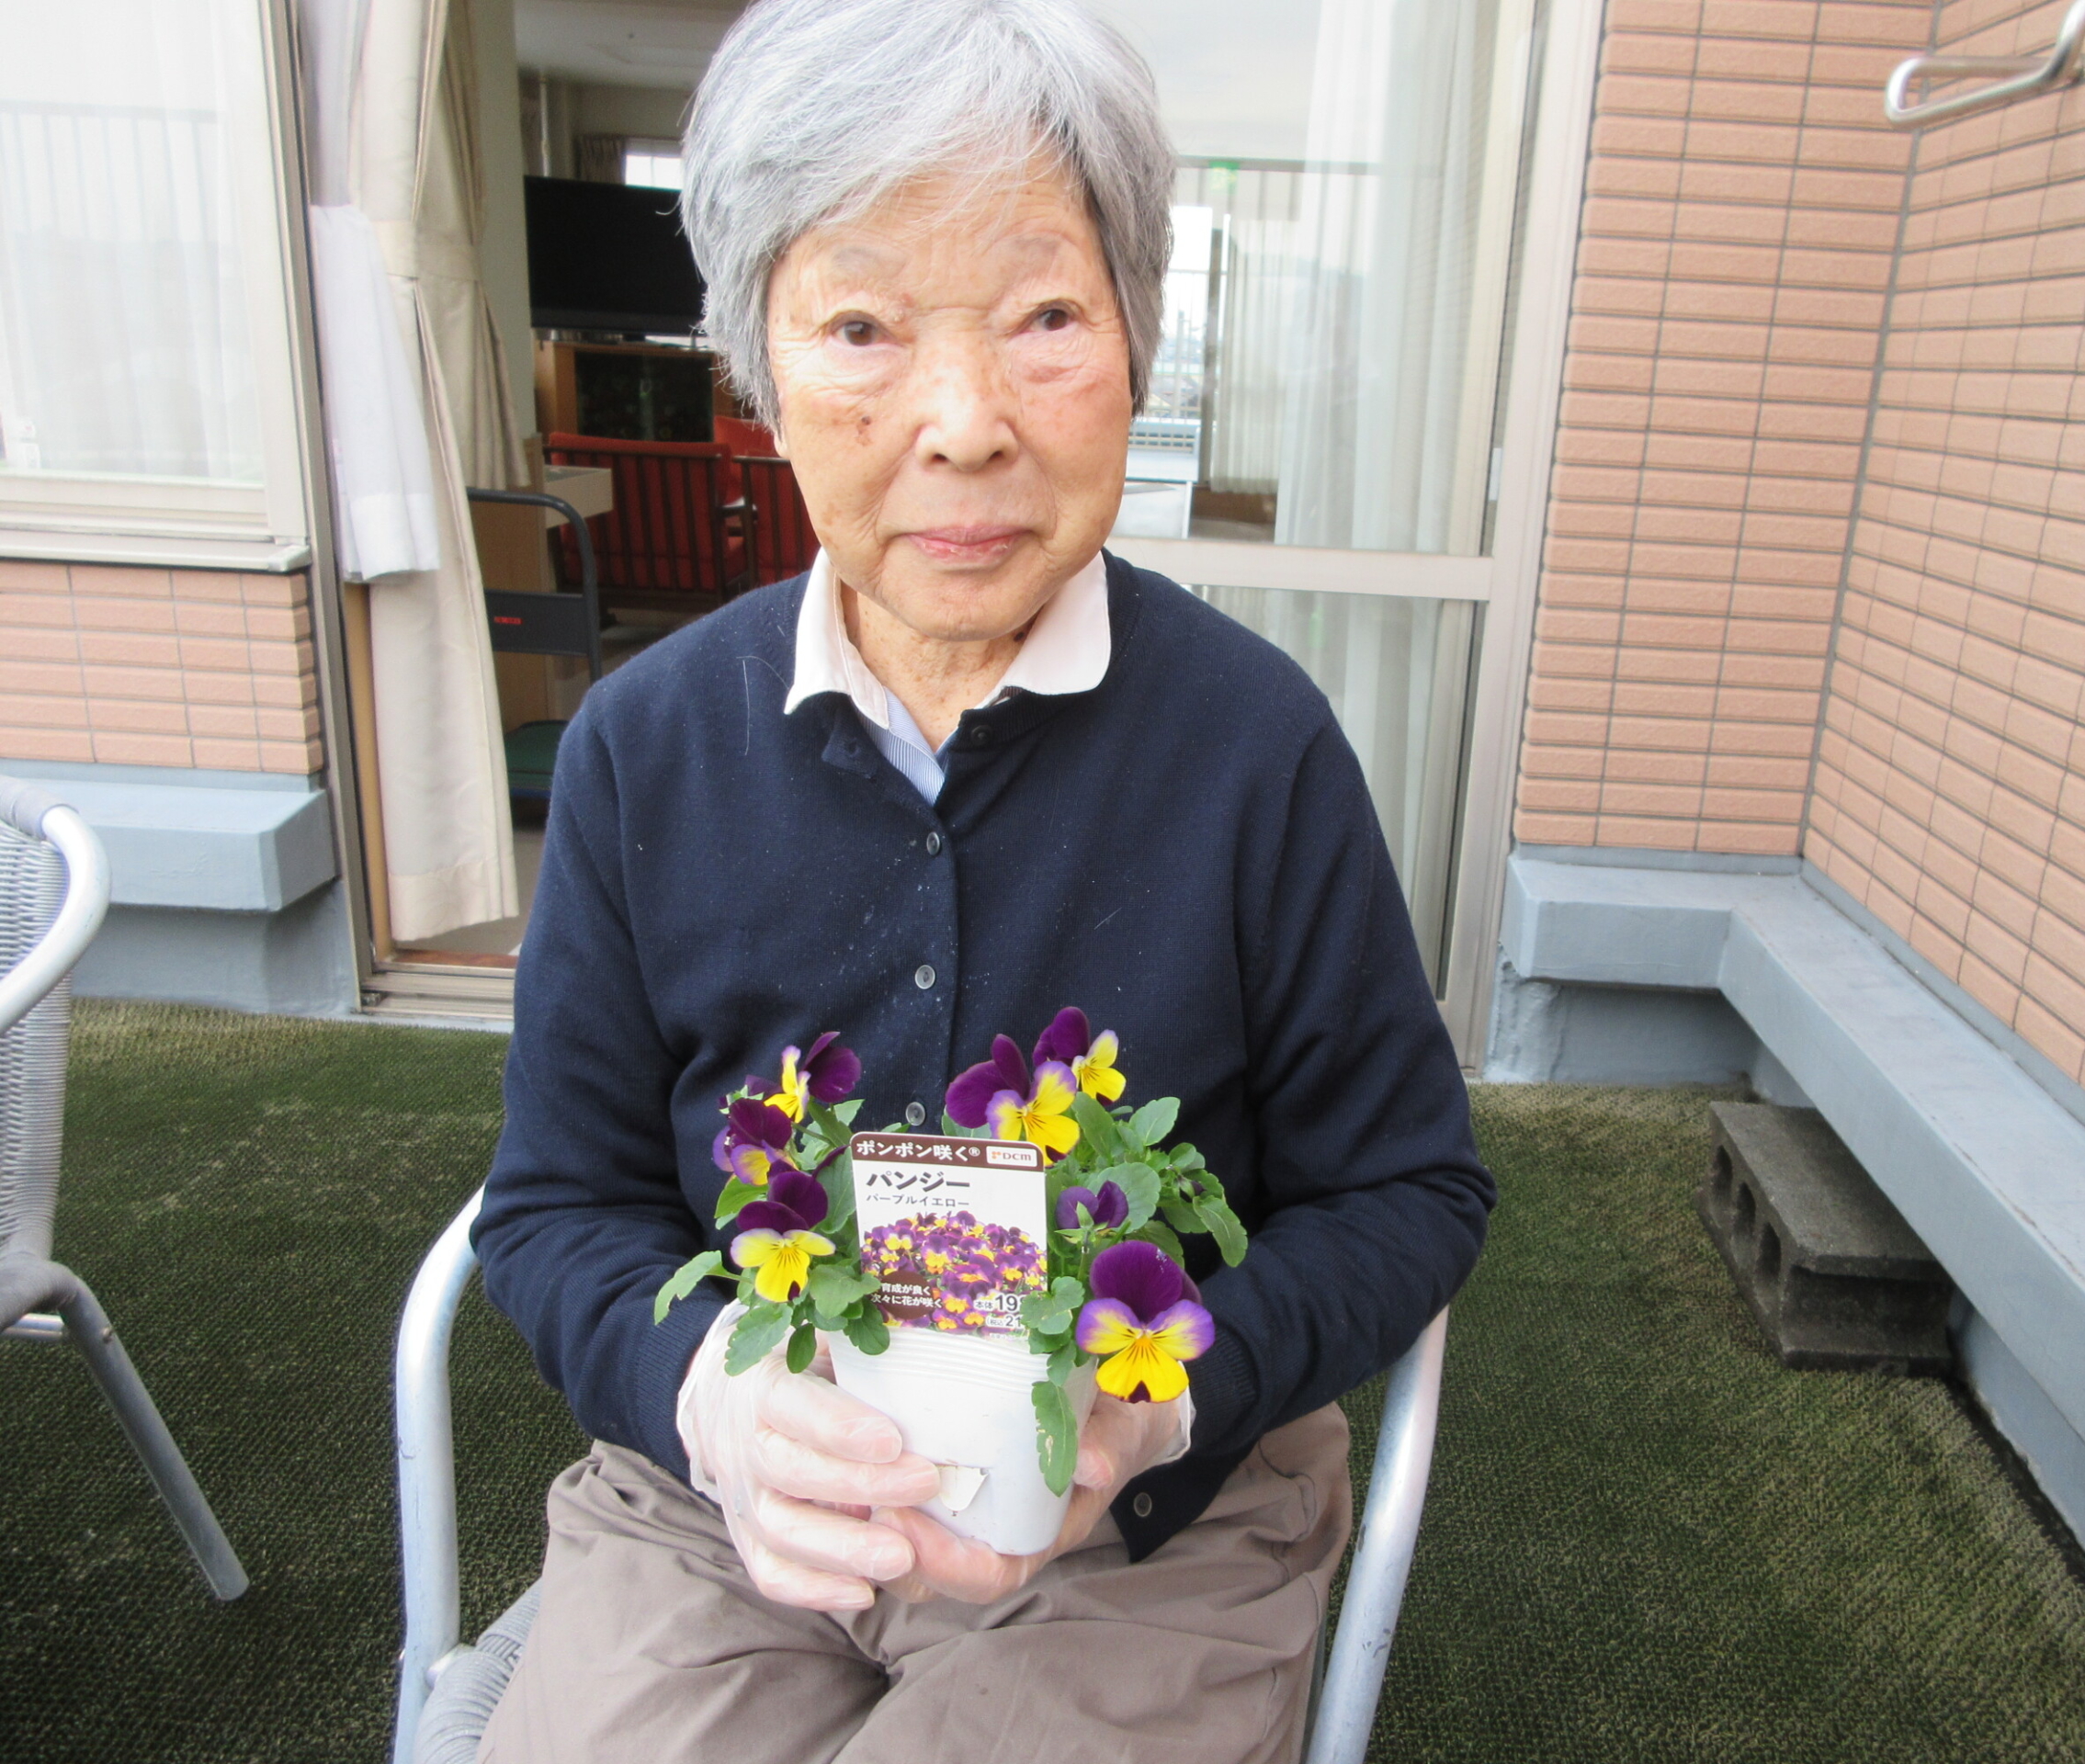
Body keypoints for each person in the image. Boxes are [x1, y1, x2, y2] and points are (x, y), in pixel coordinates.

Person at [472, 2, 1494, 1758]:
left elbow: (1408, 1191)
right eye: (862, 325)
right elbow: (553, 1209)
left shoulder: (1254, 750)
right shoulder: (649, 747)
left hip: (1145, 1535)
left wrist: (1154, 1410)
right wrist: (715, 1402)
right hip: (734, 1512)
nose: (960, 425)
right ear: (760, 365)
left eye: (1040, 319)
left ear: (1136, 341)